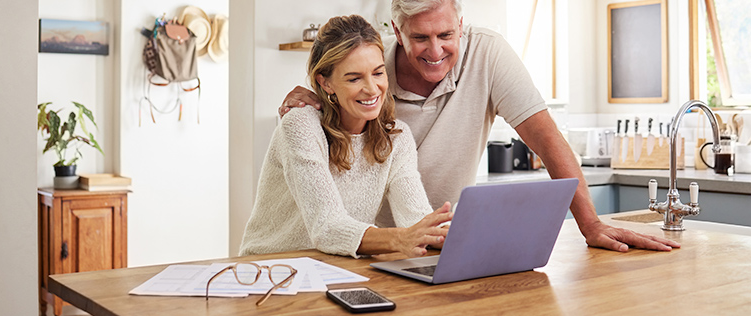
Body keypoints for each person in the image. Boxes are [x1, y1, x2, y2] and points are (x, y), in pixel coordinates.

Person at [281, 0, 681, 253]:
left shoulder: (483, 57)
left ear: (461, 24)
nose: (435, 51)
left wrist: (590, 225)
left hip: (418, 246)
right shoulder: (374, 66)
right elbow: (325, 224)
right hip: (356, 247)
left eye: (446, 34)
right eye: (420, 37)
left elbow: (546, 139)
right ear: (396, 31)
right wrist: (315, 103)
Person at [240, 14, 452, 259]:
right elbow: (327, 227)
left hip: (340, 269)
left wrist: (464, 236)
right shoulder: (301, 126)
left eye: (378, 73)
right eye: (354, 78)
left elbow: (416, 219)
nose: (372, 89)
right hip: (269, 271)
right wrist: (400, 238)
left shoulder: (397, 138)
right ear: (326, 83)